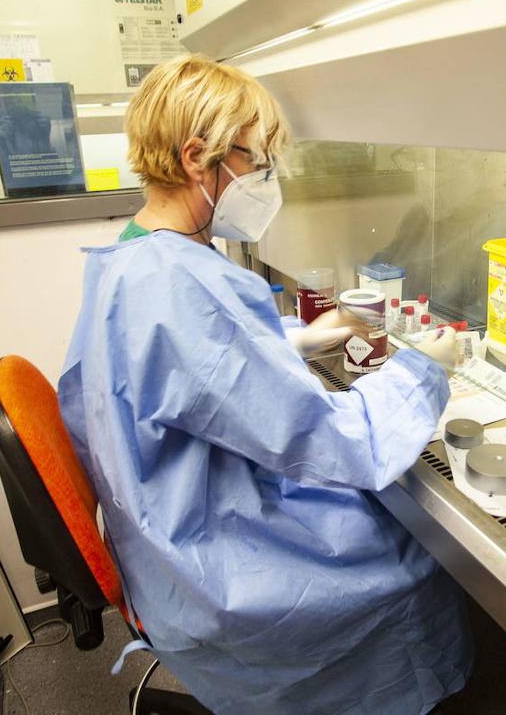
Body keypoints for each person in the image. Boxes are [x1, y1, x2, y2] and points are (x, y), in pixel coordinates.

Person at [58, 54, 473, 715]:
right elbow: (344, 445)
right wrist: (428, 367)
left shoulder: (133, 255)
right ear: (200, 158)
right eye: (259, 163)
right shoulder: (185, 284)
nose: (266, 180)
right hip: (214, 572)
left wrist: (291, 341)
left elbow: (175, 368)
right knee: (413, 560)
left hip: (157, 544)